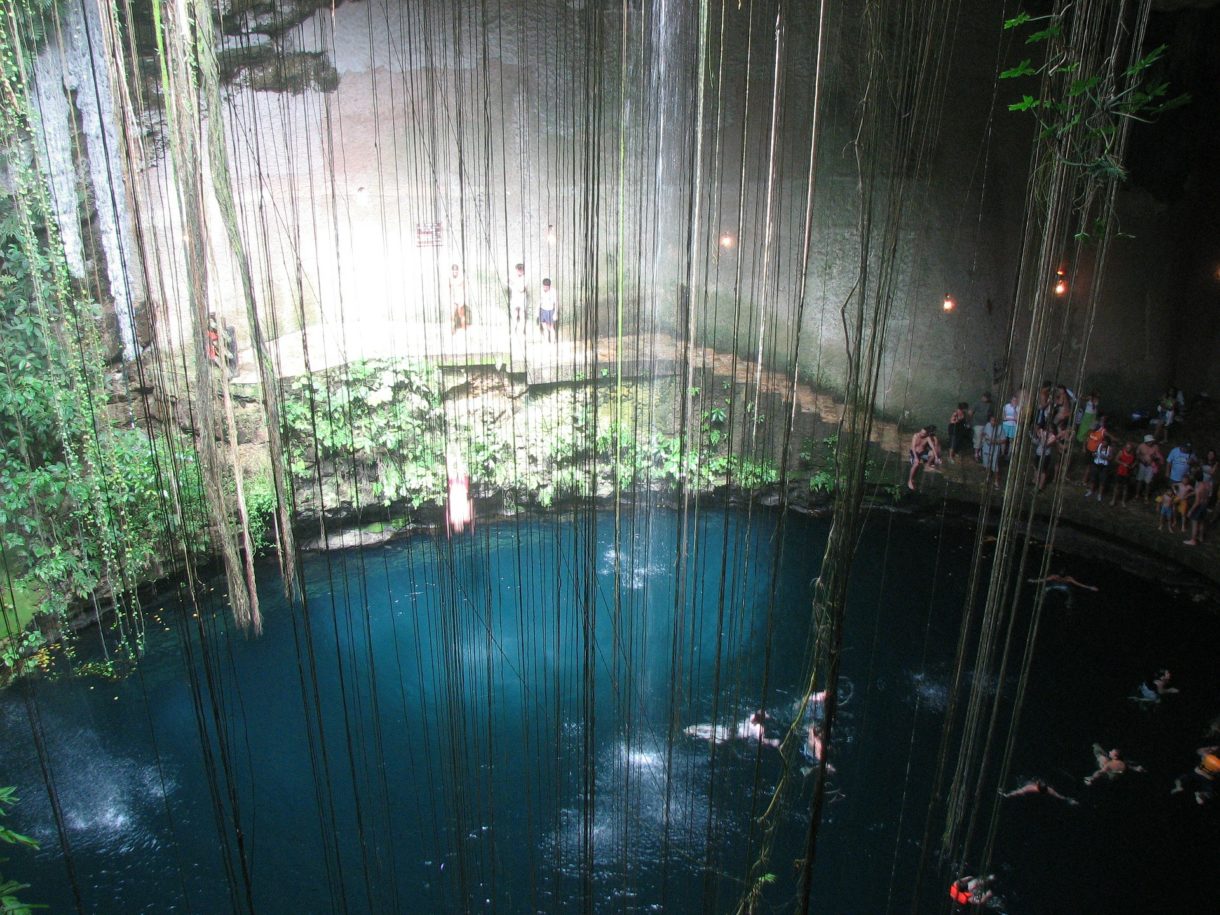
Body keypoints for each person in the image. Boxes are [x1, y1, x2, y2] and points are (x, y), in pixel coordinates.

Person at [907, 425, 942, 490]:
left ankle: (927, 466)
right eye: (921, 432)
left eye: (923, 433)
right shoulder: (916, 436)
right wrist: (916, 457)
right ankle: (910, 480)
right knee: (916, 464)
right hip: (914, 453)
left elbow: (933, 447)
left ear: (926, 434)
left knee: (933, 453)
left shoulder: (927, 438)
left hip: (922, 453)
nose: (921, 434)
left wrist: (936, 457)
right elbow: (913, 447)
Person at [1000, 778, 1078, 805]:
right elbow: (1060, 797)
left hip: (1024, 786)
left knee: (1020, 781)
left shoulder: (1031, 788)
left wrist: (1006, 795)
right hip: (1034, 794)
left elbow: (1018, 792)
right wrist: (1070, 800)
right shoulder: (1049, 790)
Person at [1184, 469, 1212, 546]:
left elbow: (1197, 502)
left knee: (1195, 523)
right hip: (1205, 505)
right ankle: (1201, 537)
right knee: (1202, 522)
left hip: (1199, 506)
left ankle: (1193, 540)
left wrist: (1190, 510)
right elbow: (1204, 493)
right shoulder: (1207, 484)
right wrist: (1190, 494)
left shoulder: (1198, 488)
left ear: (1195, 478)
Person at [978, 413, 1005, 488]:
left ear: (997, 421)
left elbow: (1003, 440)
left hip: (995, 449)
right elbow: (983, 433)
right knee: (986, 465)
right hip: (986, 448)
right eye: (991, 420)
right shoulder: (987, 425)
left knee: (995, 466)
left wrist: (995, 441)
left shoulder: (1000, 428)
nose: (992, 422)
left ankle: (996, 481)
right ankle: (987, 479)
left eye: (994, 421)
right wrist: (982, 436)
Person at [1135, 435, 1163, 502]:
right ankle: (1137, 494)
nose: (1151, 443)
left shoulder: (1155, 447)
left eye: (1152, 441)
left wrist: (1154, 458)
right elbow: (1137, 454)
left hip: (1151, 466)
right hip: (1142, 465)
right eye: (1150, 441)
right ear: (1146, 441)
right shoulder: (1141, 446)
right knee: (1139, 480)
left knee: (1148, 482)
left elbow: (1158, 456)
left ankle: (1146, 496)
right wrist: (1141, 459)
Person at [1110, 441, 1136, 506]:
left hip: (1127, 473)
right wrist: (1123, 463)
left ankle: (1123, 501)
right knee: (1117, 486)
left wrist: (1133, 466)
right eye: (1127, 447)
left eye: (1129, 448)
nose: (1128, 449)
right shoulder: (1121, 452)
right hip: (1120, 472)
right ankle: (1113, 500)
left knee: (1125, 487)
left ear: (1131, 448)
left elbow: (1136, 461)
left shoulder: (1133, 454)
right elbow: (1116, 459)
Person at [449, 263, 471, 332]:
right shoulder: (450, 278)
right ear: (452, 271)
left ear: (458, 271)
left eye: (456, 270)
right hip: (453, 298)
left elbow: (465, 285)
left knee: (460, 314)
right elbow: (449, 288)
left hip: (460, 298)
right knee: (452, 314)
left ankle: (464, 328)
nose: (455, 271)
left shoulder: (461, 278)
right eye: (453, 270)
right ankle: (453, 329)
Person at [971, 393, 992, 462]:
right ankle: (976, 455)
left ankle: (980, 454)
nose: (985, 398)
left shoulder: (989, 405)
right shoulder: (977, 403)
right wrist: (972, 421)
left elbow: (990, 414)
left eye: (986, 398)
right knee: (978, 439)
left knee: (983, 440)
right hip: (977, 424)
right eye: (984, 397)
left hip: (985, 424)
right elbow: (970, 412)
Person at [508, 262, 528, 333]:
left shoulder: (525, 278)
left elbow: (521, 289)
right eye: (518, 269)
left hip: (522, 299)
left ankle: (522, 331)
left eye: (521, 270)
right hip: (514, 299)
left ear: (523, 270)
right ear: (516, 270)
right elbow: (508, 283)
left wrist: (513, 284)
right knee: (514, 315)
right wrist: (512, 283)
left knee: (522, 315)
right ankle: (513, 330)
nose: (519, 271)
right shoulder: (513, 277)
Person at [538, 277, 558, 343]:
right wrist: (537, 309)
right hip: (543, 310)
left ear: (549, 286)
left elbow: (556, 302)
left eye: (546, 287)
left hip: (550, 310)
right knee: (544, 326)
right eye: (544, 286)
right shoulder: (541, 290)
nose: (545, 288)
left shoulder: (553, 291)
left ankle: (553, 341)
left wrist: (555, 313)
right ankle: (546, 341)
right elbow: (540, 300)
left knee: (550, 327)